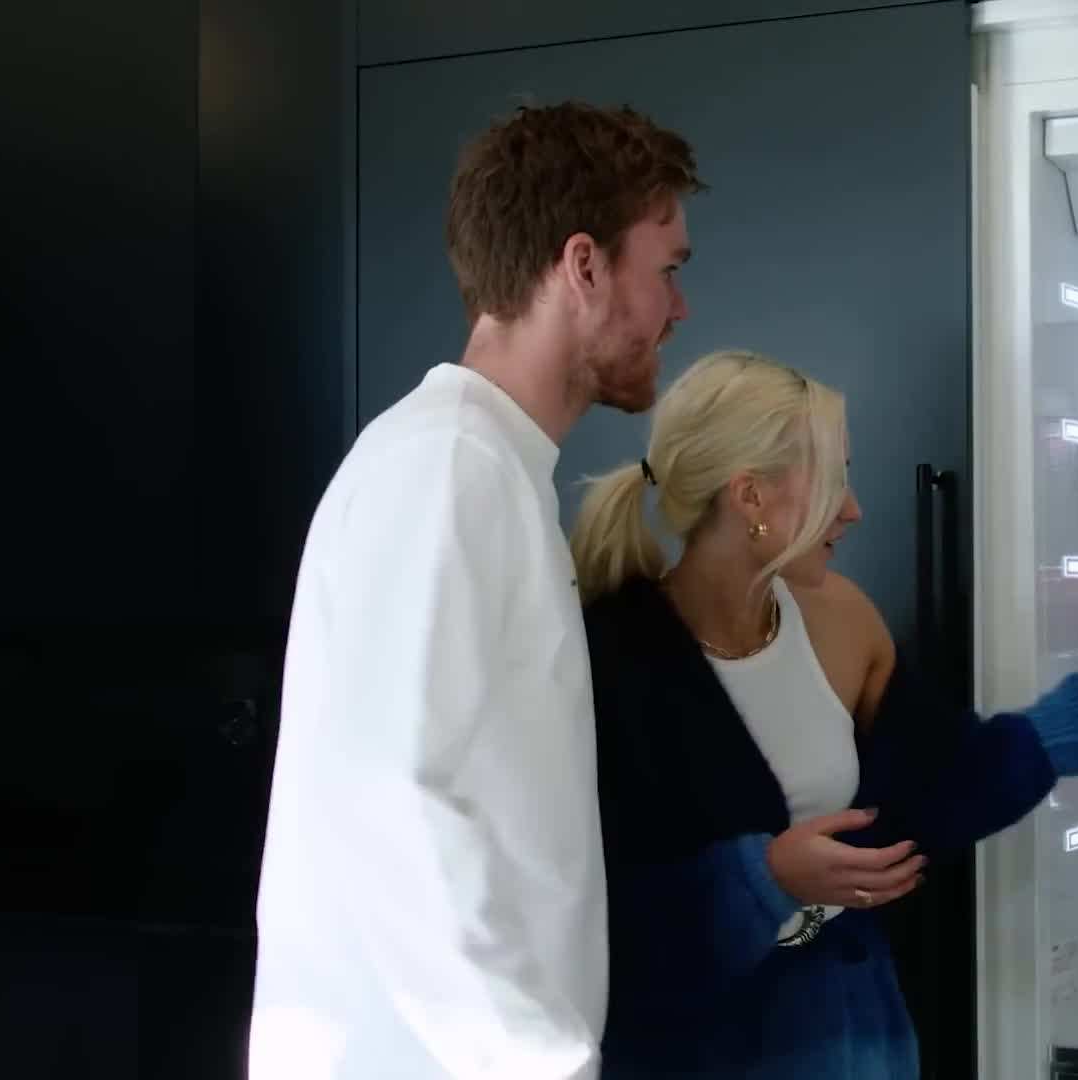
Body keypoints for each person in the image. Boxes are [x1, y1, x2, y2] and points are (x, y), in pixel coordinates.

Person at [571, 349, 1078, 1078]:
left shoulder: (840, 619)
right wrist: (770, 875)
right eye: (835, 478)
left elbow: (947, 784)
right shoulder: (612, 656)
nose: (853, 509)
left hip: (858, 1039)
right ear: (750, 497)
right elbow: (601, 922)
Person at [248, 102, 701, 1079]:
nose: (679, 309)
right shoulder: (450, 469)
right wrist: (543, 1061)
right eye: (667, 269)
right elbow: (390, 804)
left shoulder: (480, 465)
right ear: (583, 266)